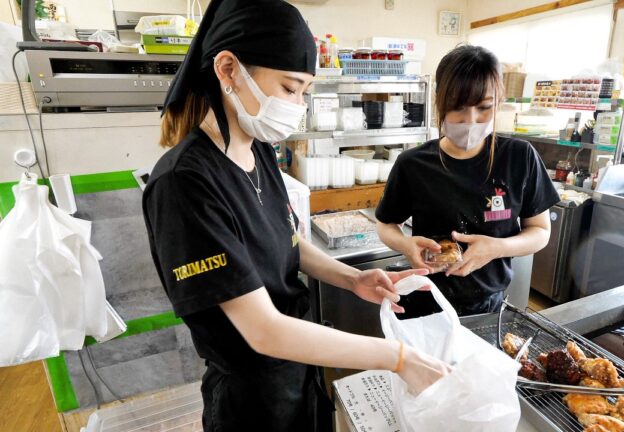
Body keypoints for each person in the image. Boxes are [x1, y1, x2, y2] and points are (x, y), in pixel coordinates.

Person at [142, 1, 450, 431]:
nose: (298, 105)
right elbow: (263, 330)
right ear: (228, 69)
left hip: (297, 368)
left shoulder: (256, 149)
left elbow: (283, 235)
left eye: (305, 91)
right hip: (250, 397)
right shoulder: (184, 183)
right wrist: (396, 358)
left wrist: (350, 278)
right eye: (290, 88)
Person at [376, 45, 561, 317]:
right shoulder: (413, 164)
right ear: (440, 102)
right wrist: (405, 244)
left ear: (499, 102)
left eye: (484, 107)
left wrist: (498, 247)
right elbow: (386, 224)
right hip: (427, 302)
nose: (471, 120)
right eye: (458, 108)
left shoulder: (519, 157)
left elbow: (540, 232)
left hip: (489, 306)